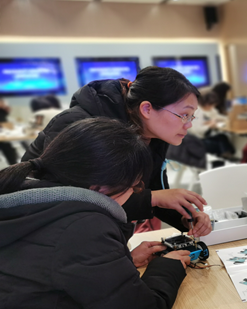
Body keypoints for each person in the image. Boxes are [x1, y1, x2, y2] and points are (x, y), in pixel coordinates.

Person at [0, 118, 194, 309]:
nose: (135, 195)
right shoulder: (82, 226)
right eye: (134, 187)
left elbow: (49, 271)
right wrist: (167, 267)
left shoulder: (25, 202)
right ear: (100, 188)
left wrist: (125, 260)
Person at [22, 66, 212, 240]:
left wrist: (186, 218)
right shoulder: (79, 124)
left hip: (94, 236)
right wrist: (155, 198)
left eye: (192, 116)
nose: (189, 125)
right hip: (42, 231)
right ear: (147, 109)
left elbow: (154, 190)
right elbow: (79, 200)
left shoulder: (153, 134)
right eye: (184, 115)